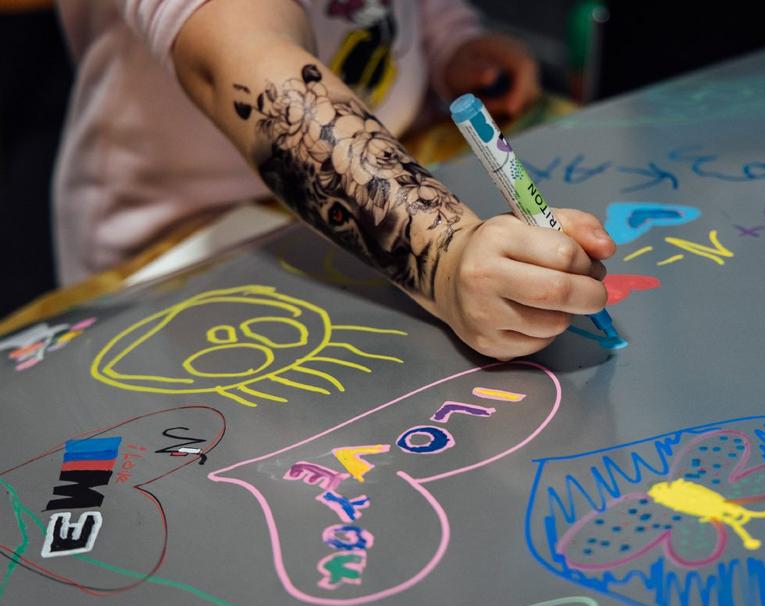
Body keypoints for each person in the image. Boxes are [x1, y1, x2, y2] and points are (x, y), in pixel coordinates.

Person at [52, 0, 614, 360]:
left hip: (374, 179)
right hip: (181, 258)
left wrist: (451, 41)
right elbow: (242, 66)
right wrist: (444, 254)